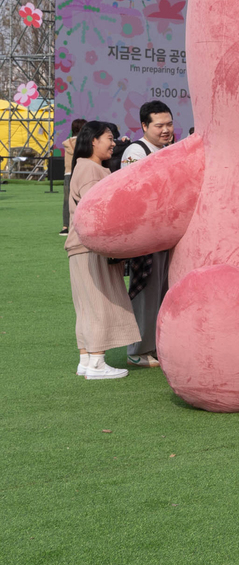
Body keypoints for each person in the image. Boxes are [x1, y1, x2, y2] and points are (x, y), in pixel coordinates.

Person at [67, 121, 142, 380]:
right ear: (93, 140)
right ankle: (97, 362)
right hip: (92, 248)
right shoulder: (90, 170)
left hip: (82, 248)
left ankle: (87, 359)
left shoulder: (86, 167)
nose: (114, 143)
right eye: (109, 137)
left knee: (87, 306)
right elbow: (96, 212)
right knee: (99, 304)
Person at [119, 100, 177, 369]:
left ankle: (154, 345)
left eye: (169, 124)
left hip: (165, 232)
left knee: (162, 290)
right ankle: (138, 349)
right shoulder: (136, 151)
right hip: (146, 234)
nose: (165, 130)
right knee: (145, 289)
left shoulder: (168, 149)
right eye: (159, 125)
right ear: (144, 126)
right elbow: (134, 193)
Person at [59, 117, 85, 235]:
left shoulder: (67, 143)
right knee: (83, 199)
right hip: (81, 173)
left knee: (67, 201)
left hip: (68, 174)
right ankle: (81, 225)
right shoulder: (84, 143)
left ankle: (65, 227)